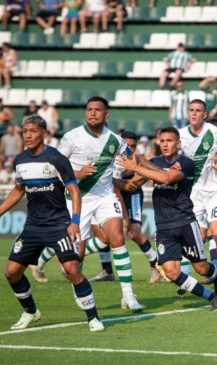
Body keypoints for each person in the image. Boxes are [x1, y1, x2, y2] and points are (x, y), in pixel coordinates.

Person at [0, 115, 105, 331]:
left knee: (72, 270)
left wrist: (74, 221)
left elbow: (74, 191)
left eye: (32, 131)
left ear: (44, 134)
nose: (28, 135)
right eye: (25, 131)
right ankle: (31, 312)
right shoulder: (20, 160)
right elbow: (18, 190)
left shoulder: (57, 158)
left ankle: (93, 317)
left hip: (59, 225)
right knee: (11, 272)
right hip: (32, 226)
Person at [116, 127, 217, 310]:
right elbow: (130, 186)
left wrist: (137, 167)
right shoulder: (155, 162)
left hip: (185, 223)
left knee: (201, 269)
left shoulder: (187, 163)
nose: (165, 144)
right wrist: (101, 180)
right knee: (171, 272)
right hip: (163, 227)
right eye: (162, 141)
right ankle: (212, 297)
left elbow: (167, 179)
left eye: (169, 141)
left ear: (178, 144)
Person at [56, 96, 143, 312]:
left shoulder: (115, 140)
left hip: (105, 196)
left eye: (97, 110)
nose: (92, 113)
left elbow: (135, 162)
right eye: (89, 109)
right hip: (78, 200)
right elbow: (53, 169)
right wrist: (77, 173)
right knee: (77, 256)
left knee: (117, 238)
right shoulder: (71, 137)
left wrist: (148, 175)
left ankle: (129, 296)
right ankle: (79, 289)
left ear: (106, 114)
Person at [88, 131, 162, 284]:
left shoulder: (139, 161)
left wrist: (127, 220)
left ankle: (156, 265)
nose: (129, 148)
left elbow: (132, 186)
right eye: (126, 145)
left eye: (133, 146)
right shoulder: (111, 159)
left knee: (134, 233)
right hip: (111, 196)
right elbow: (118, 189)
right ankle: (106, 270)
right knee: (104, 233)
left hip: (132, 194)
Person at [179, 99, 217, 290]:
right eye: (191, 110)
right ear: (188, 113)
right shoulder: (181, 136)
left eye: (198, 111)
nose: (194, 114)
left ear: (205, 115)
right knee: (196, 236)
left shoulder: (213, 132)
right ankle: (189, 276)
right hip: (195, 192)